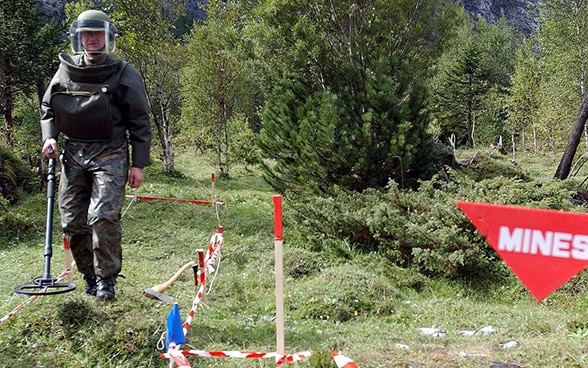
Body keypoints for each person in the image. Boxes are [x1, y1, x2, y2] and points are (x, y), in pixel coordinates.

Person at [40, 9, 151, 300]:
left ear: (108, 38)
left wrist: (138, 164)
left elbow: (140, 119)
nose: (92, 40)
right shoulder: (66, 69)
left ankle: (107, 280)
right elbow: (48, 108)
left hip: (110, 151)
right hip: (73, 152)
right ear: (79, 37)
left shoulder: (124, 73)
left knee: (102, 216)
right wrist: (49, 137)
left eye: (97, 34)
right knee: (72, 220)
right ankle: (89, 275)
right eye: (87, 34)